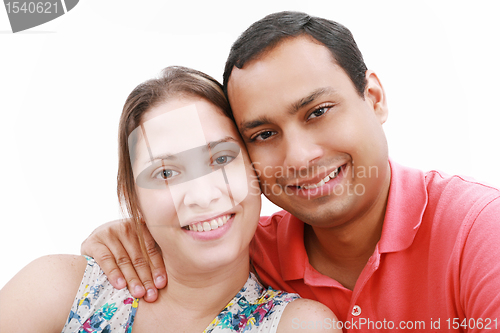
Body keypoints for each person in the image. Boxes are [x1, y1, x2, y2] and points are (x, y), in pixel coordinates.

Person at [81, 11, 500, 332]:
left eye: (318, 111)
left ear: (373, 98)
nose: (298, 157)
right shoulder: (251, 251)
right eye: (263, 134)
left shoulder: (479, 233)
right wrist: (124, 236)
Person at [0, 66, 341, 333]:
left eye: (221, 159)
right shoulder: (57, 287)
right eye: (165, 173)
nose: (203, 195)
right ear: (134, 200)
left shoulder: (298, 325)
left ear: (255, 170)